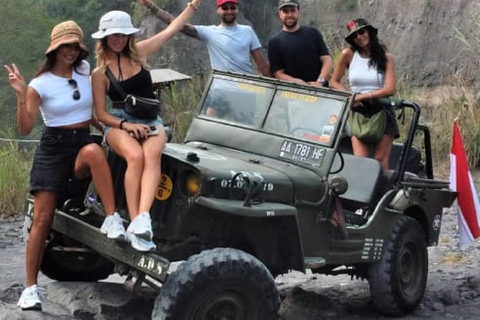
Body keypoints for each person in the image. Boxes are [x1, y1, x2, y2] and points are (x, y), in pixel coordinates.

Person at [4, 21, 122, 311]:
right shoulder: (39, 84)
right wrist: (20, 94)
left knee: (95, 151)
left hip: (81, 144)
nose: (70, 51)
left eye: (74, 46)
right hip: (53, 150)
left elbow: (92, 111)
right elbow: (25, 127)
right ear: (54, 49)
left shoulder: (85, 72)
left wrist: (113, 130)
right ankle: (30, 289)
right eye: (64, 46)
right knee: (43, 220)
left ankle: (112, 218)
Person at [91, 2, 203, 252]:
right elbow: (100, 114)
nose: (118, 39)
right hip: (119, 121)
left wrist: (192, 7)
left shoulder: (139, 53)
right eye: (113, 35)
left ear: (129, 36)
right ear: (105, 38)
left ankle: (143, 220)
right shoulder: (99, 74)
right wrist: (126, 125)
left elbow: (170, 30)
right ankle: (134, 220)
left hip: (150, 120)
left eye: (122, 34)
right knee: (135, 155)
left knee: (152, 154)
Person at [133, 0, 271, 77]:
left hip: (246, 88)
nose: (229, 11)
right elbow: (177, 24)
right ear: (218, 10)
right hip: (220, 90)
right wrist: (151, 7)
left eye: (232, 8)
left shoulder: (247, 31)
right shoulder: (210, 32)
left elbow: (262, 65)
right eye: (225, 8)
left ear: (237, 9)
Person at [329, 18, 398, 170]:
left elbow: (390, 88)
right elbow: (334, 81)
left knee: (380, 160)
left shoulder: (386, 58)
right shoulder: (348, 55)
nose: (359, 37)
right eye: (355, 36)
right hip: (358, 110)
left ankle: (381, 192)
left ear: (369, 32)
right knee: (361, 160)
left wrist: (363, 96)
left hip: (382, 109)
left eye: (362, 32)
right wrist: (350, 96)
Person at [268, 0, 332, 86]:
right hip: (291, 94)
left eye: (293, 10)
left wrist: (319, 82)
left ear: (298, 12)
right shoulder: (274, 43)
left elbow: (327, 60)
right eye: (285, 11)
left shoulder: (313, 33)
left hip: (321, 92)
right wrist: (299, 83)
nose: (290, 15)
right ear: (280, 14)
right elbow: (278, 74)